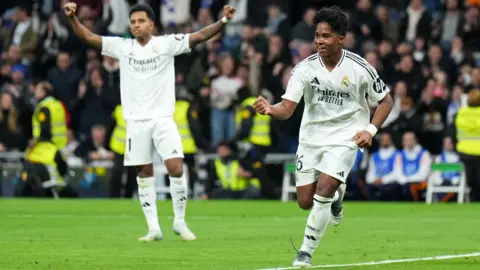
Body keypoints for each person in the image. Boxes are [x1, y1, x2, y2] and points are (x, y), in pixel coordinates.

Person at [64, 2, 236, 242]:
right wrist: (73, 18)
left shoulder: (165, 44)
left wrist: (224, 21)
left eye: (141, 21)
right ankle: (153, 228)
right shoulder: (123, 47)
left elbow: (199, 36)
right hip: (136, 122)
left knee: (176, 167)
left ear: (151, 24)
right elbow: (89, 37)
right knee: (144, 173)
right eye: (133, 22)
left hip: (163, 120)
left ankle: (179, 222)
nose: (136, 25)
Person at [253, 6, 393, 267]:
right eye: (317, 36)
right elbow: (287, 108)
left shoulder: (360, 68)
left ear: (341, 38)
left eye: (326, 36)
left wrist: (370, 130)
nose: (319, 41)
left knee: (325, 187)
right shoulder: (304, 69)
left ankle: (305, 252)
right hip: (311, 140)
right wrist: (270, 109)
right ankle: (338, 196)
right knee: (305, 202)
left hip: (346, 138)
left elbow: (386, 100)